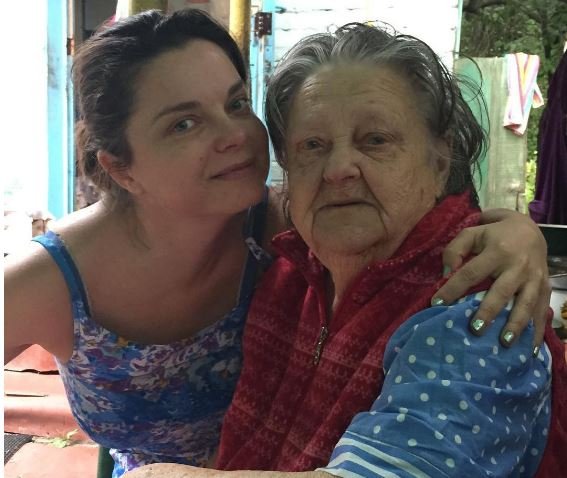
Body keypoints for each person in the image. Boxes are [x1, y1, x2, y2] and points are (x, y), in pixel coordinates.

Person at [2, 10, 553, 478]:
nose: (234, 136)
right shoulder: (53, 279)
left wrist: (520, 233)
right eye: (183, 124)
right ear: (121, 169)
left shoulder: (291, 232)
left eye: (237, 104)